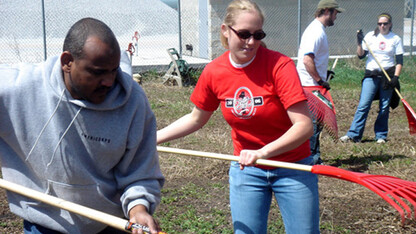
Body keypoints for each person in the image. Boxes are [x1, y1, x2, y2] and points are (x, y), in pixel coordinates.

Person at [157, 0, 319, 233]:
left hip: (293, 166)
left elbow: (304, 126)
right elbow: (195, 118)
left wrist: (262, 152)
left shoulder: (279, 65)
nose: (251, 42)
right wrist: (153, 138)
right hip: (247, 170)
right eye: (244, 34)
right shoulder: (214, 71)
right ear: (225, 30)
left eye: (258, 34)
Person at [0, 18, 164, 234]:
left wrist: (138, 209)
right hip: (45, 221)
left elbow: (140, 171)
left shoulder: (133, 102)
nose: (109, 81)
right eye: (97, 72)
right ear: (67, 61)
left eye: (113, 71)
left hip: (109, 222)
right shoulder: (20, 89)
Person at [340, 13, 403, 143]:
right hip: (371, 75)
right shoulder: (370, 36)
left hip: (387, 76)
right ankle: (353, 134)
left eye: (385, 23)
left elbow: (399, 61)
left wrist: (395, 78)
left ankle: (381, 135)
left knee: (384, 107)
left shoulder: (395, 39)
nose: (382, 26)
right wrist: (359, 42)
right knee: (363, 104)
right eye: (380, 24)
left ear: (390, 24)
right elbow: (361, 55)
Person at [296, 0, 344, 164]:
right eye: (335, 13)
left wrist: (323, 73)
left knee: (316, 123)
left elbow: (313, 59)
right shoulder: (315, 31)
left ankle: (311, 157)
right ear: (326, 11)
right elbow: (307, 60)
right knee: (314, 124)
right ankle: (310, 159)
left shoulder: (318, 30)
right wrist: (319, 80)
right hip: (310, 85)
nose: (336, 17)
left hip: (312, 83)